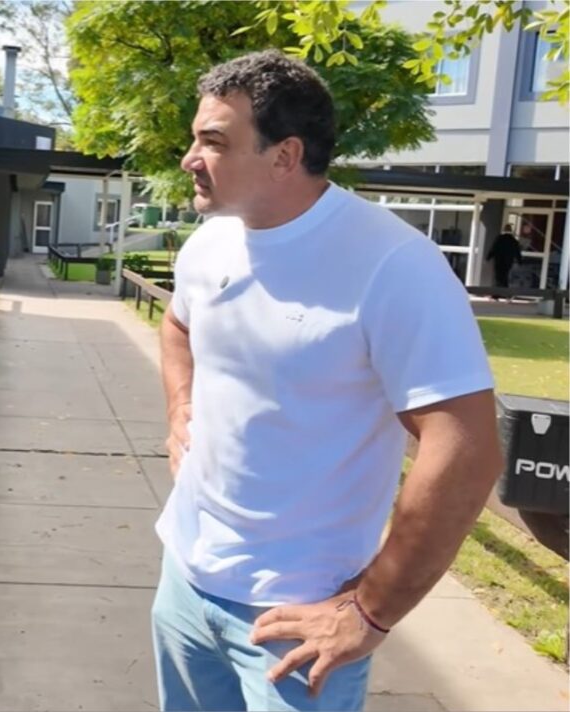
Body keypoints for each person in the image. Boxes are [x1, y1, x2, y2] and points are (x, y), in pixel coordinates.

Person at [154, 50, 502, 712]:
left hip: (301, 618)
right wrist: (180, 407)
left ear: (285, 155)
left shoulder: (394, 265)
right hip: (185, 581)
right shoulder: (209, 243)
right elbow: (177, 327)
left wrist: (370, 613)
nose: (189, 158)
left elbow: (467, 453)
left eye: (213, 141)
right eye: (195, 138)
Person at [486, 224, 522, 293]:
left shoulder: (499, 238)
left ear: (504, 229)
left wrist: (488, 258)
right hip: (508, 262)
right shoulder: (513, 240)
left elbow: (493, 249)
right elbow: (517, 252)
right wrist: (519, 261)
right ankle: (505, 293)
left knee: (498, 277)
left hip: (499, 261)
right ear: (511, 230)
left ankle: (497, 293)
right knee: (505, 276)